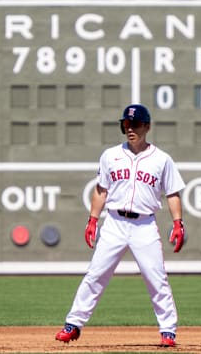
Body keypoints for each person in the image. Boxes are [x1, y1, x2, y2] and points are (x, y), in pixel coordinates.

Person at [55, 103, 186, 348]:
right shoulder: (110, 155)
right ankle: (73, 324)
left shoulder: (161, 159)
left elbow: (172, 193)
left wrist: (178, 223)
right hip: (114, 222)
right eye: (126, 124)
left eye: (135, 124)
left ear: (147, 126)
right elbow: (101, 190)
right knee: (96, 274)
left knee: (156, 278)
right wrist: (93, 219)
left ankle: (168, 330)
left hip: (144, 225)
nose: (130, 129)